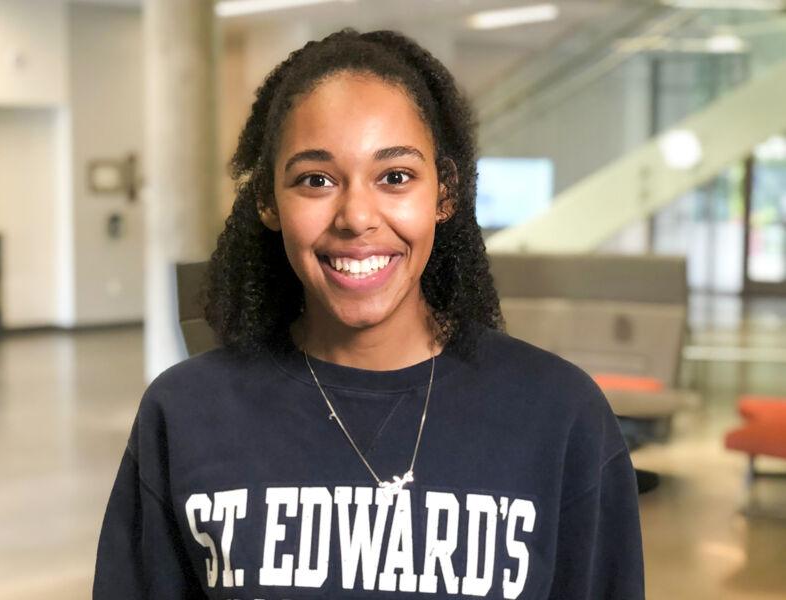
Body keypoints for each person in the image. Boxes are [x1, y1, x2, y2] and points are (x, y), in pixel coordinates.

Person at [93, 28, 644, 599]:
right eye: (316, 180)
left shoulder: (560, 416)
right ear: (267, 200)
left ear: (444, 192)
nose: (356, 216)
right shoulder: (185, 413)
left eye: (396, 177)